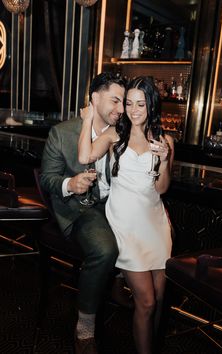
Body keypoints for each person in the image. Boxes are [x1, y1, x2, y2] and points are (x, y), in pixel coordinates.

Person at [78, 76, 175, 354]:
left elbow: (162, 188)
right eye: (129, 103)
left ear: (151, 106)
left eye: (140, 104)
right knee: (145, 302)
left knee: (157, 299)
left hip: (154, 225)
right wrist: (87, 119)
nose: (133, 110)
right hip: (125, 225)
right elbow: (85, 157)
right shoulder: (113, 134)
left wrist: (165, 160)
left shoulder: (164, 140)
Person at [40, 72, 126, 354]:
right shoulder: (62, 133)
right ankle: (85, 327)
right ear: (94, 98)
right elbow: (47, 179)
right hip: (80, 210)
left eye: (123, 102)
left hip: (116, 206)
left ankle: (116, 282)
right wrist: (71, 184)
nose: (121, 109)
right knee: (104, 249)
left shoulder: (122, 133)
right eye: (115, 100)